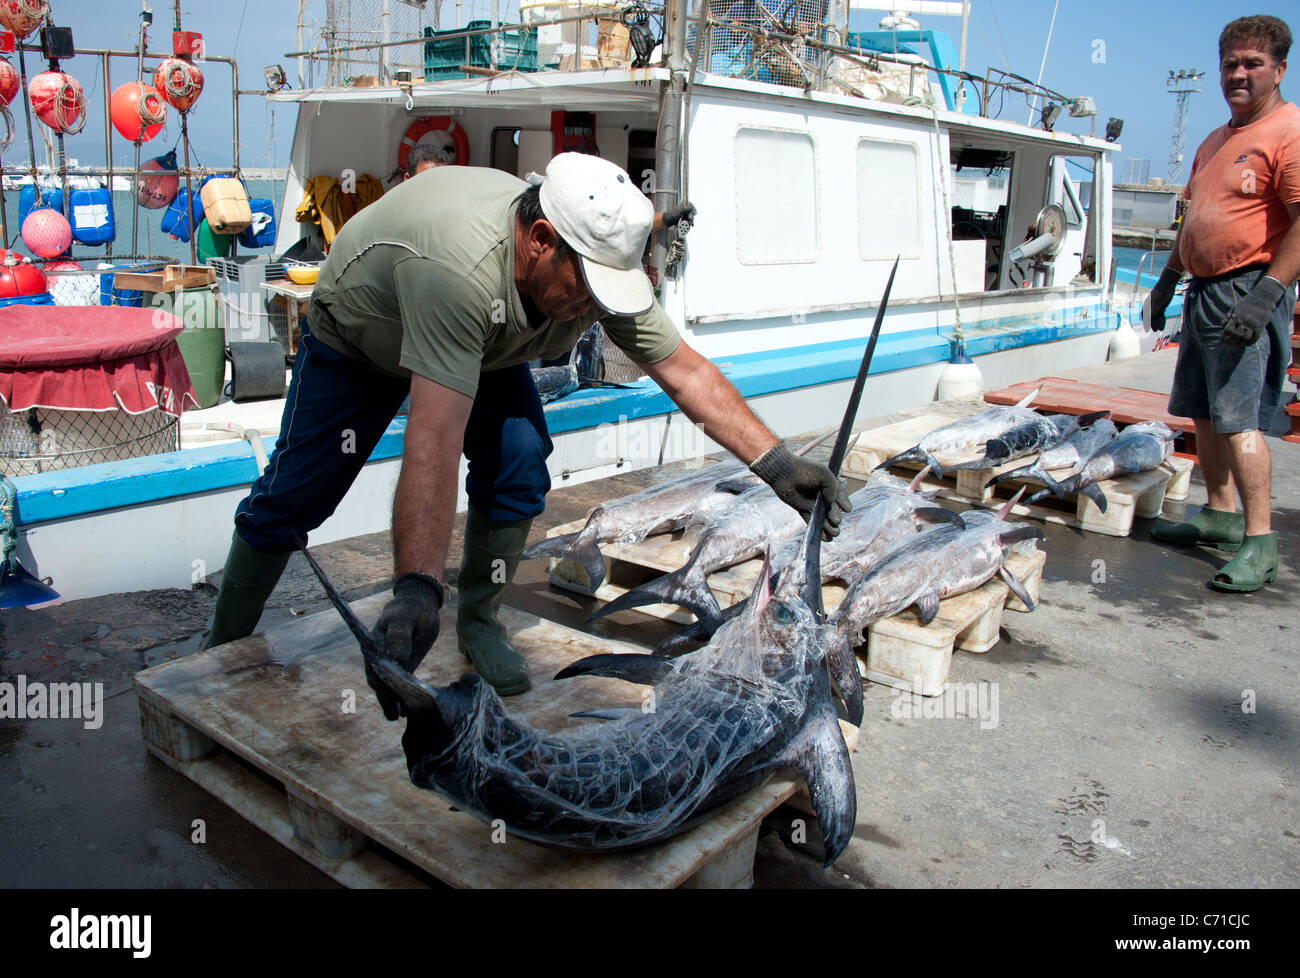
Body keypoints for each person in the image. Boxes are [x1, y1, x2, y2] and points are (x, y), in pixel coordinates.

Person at [202, 153, 850, 714]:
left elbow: (683, 371)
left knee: (517, 461)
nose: (596, 309)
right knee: (297, 496)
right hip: (364, 338)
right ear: (540, 239)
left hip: (482, 342)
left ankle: (479, 618)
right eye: (589, 291)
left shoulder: (588, 266)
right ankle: (221, 645)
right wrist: (415, 589)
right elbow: (433, 441)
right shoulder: (459, 271)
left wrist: (776, 462)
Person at [1146, 14, 1300, 593]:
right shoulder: (1216, 139)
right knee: (1204, 413)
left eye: (1252, 64)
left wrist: (1268, 294)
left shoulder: (1288, 131)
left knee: (1239, 422)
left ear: (1279, 69)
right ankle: (1218, 512)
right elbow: (1189, 215)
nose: (1238, 74)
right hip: (1202, 290)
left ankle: (1260, 541)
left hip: (1247, 288)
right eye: (1230, 64)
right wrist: (1167, 278)